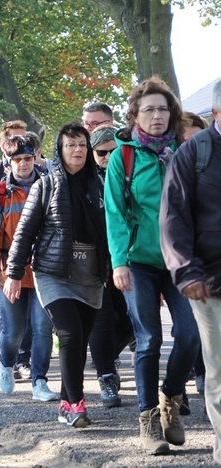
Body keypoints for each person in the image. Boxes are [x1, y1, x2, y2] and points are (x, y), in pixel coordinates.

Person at [104, 77, 200, 455]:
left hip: (181, 260)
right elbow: (114, 213)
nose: (157, 116)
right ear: (135, 116)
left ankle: (170, 401)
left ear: (172, 114)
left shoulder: (188, 151)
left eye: (163, 109)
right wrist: (119, 262)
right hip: (138, 261)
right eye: (149, 110)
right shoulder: (122, 156)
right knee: (149, 339)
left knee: (191, 335)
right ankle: (147, 419)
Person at [5, 123, 108, 427]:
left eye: (82, 145)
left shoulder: (101, 184)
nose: (77, 150)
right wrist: (13, 272)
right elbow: (25, 232)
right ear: (59, 151)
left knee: (80, 340)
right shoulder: (46, 185)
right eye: (70, 145)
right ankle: (76, 405)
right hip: (53, 271)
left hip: (91, 272)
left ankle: (66, 401)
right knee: (70, 334)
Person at [160, 79, 221, 464]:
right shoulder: (192, 155)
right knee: (219, 369)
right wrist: (186, 272)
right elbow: (172, 220)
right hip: (210, 281)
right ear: (217, 113)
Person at [0, 133, 58, 403]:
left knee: (42, 326)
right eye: (18, 160)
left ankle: (40, 381)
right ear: (8, 162)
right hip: (10, 272)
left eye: (28, 158)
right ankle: (6, 363)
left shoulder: (50, 186)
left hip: (45, 271)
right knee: (14, 331)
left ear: (35, 158)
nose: (23, 164)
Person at [87, 124, 133, 409]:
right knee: (101, 318)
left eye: (112, 151)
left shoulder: (129, 174)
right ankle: (106, 374)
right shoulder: (84, 179)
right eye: (101, 152)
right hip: (94, 259)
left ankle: (103, 357)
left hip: (128, 255)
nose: (106, 157)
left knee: (133, 318)